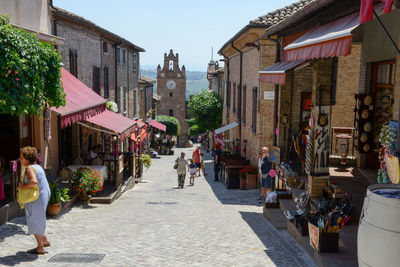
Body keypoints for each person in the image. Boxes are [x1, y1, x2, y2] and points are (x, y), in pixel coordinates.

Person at [18, 147, 51, 255]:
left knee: (33, 219)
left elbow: (33, 182)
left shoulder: (28, 168)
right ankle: (45, 240)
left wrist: (23, 186)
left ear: (27, 159)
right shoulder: (38, 167)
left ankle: (40, 247)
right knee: (39, 217)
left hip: (35, 197)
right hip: (43, 194)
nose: (20, 159)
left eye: (21, 157)